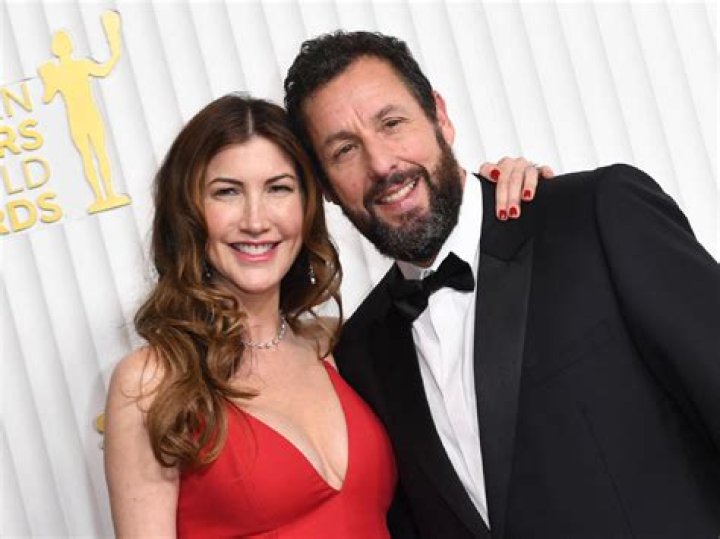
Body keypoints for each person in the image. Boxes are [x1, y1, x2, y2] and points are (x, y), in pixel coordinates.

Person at [283, 31, 720, 539]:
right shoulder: (361, 352)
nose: (381, 165)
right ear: (326, 187)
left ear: (439, 116)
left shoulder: (597, 215)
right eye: (344, 150)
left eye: (392, 123)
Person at [103, 93, 543, 537]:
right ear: (189, 213)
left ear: (308, 204)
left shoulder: (339, 347)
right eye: (227, 192)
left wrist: (499, 199)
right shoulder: (151, 383)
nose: (255, 220)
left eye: (278, 188)